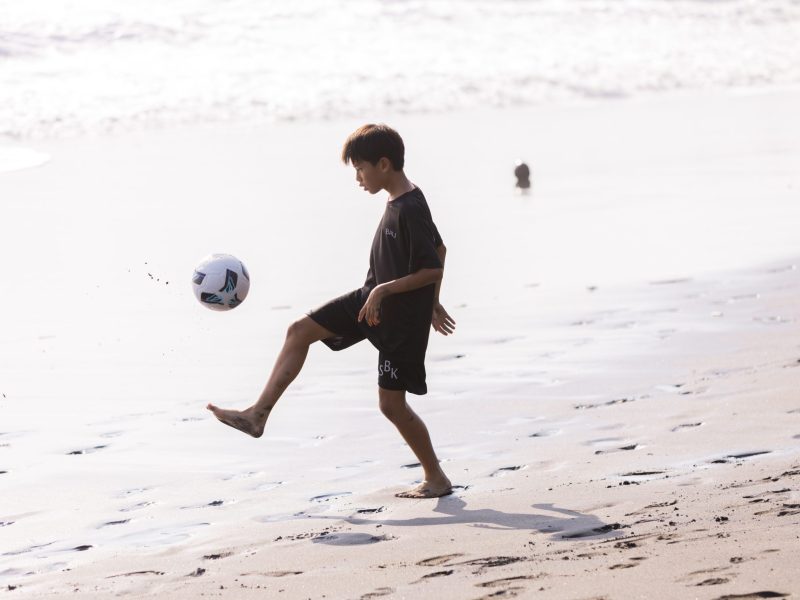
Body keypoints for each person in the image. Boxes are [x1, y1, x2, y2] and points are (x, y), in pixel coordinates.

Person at [207, 124, 456, 499]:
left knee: (391, 405)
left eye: (361, 168)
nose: (358, 177)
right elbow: (440, 250)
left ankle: (435, 478)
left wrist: (406, 294)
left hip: (398, 321)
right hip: (371, 300)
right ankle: (258, 414)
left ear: (384, 164)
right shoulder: (399, 201)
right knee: (299, 331)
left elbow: (434, 264)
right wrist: (431, 300)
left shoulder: (410, 208)